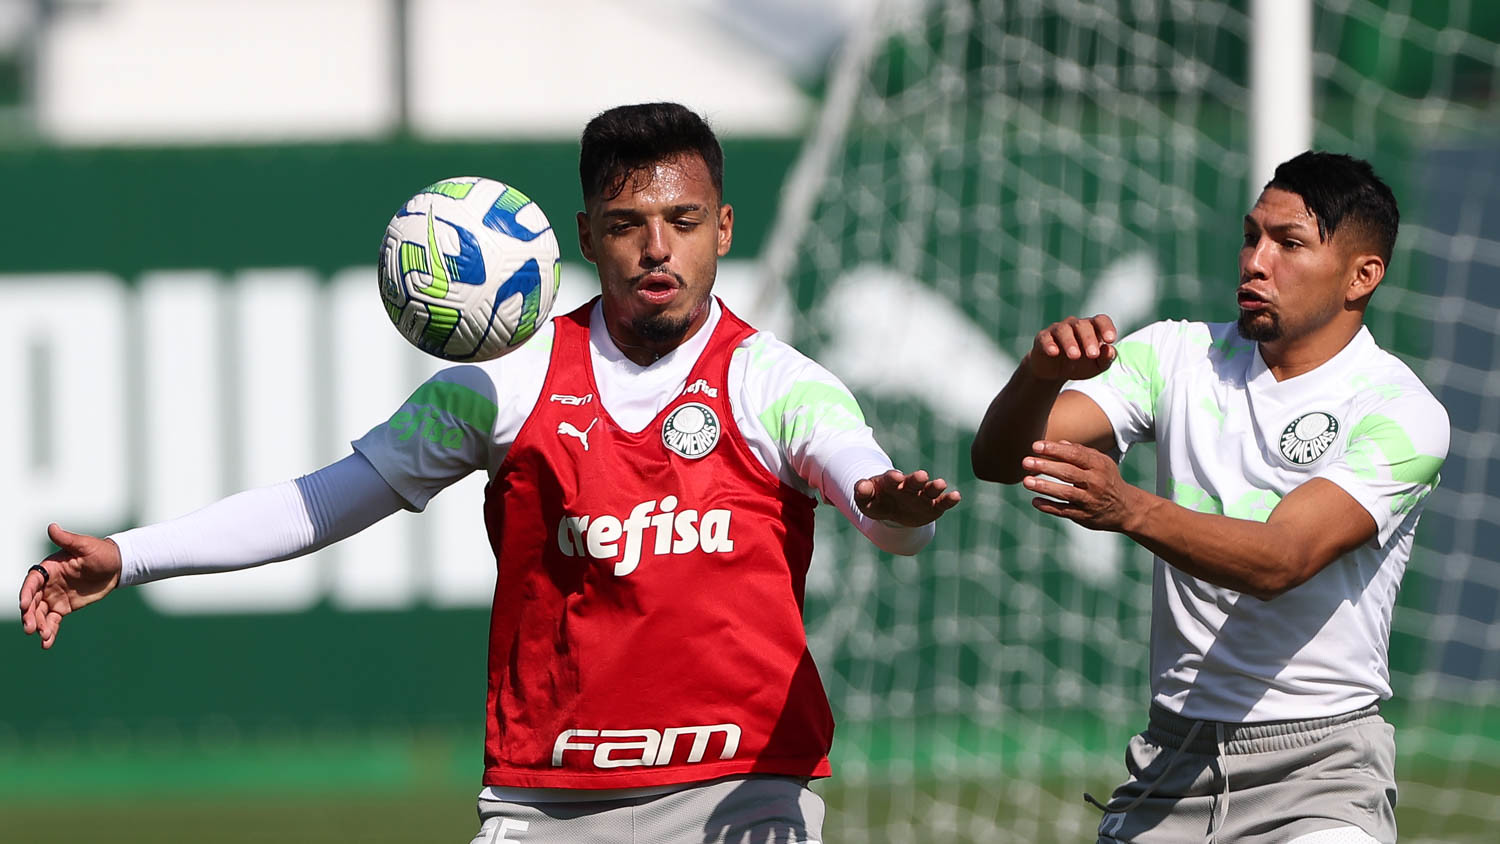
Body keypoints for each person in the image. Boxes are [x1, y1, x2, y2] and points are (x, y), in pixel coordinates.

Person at [18, 101, 961, 843]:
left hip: (745, 795)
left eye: (681, 220)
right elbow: (321, 502)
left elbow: (876, 505)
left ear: (721, 227)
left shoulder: (775, 380)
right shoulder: (501, 388)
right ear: (587, 238)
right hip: (546, 798)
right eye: (630, 224)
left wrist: (888, 506)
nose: (657, 248)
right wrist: (130, 557)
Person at [971, 151, 1447, 844]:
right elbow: (999, 459)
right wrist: (1039, 375)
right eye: (1251, 236)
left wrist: (1127, 507)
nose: (1256, 261)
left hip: (1321, 776)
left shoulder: (1402, 411)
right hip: (1171, 764)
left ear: (1362, 275)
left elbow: (1281, 562)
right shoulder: (1173, 355)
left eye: (1289, 244)